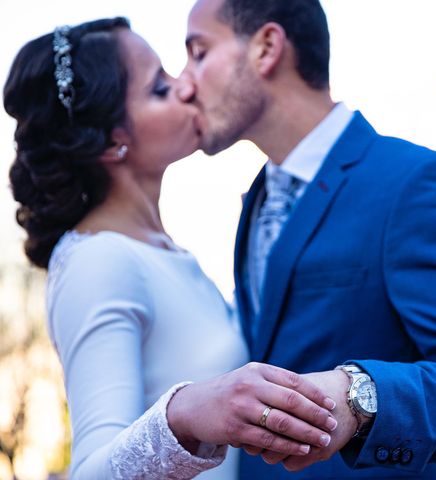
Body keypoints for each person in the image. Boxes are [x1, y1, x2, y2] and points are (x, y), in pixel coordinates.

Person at [170, 0, 436, 478]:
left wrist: (360, 397)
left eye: (199, 53)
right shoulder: (257, 200)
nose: (183, 83)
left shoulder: (416, 184)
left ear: (266, 47)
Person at [4, 17, 340, 479]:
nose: (186, 87)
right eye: (159, 88)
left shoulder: (165, 251)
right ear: (112, 141)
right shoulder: (97, 262)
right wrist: (183, 414)